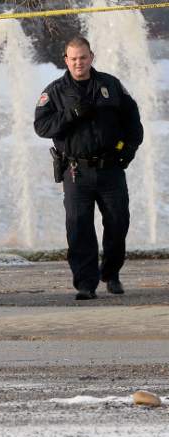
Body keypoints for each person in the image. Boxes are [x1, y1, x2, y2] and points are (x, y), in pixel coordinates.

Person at [34, 36, 143, 301]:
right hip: (76, 171)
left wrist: (127, 151)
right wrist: (70, 114)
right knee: (79, 227)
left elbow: (133, 122)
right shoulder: (55, 91)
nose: (78, 63)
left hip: (110, 169)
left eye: (83, 57)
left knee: (118, 223)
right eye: (73, 59)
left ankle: (111, 273)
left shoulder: (110, 85)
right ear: (66, 60)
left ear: (91, 57)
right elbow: (41, 127)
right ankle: (85, 283)